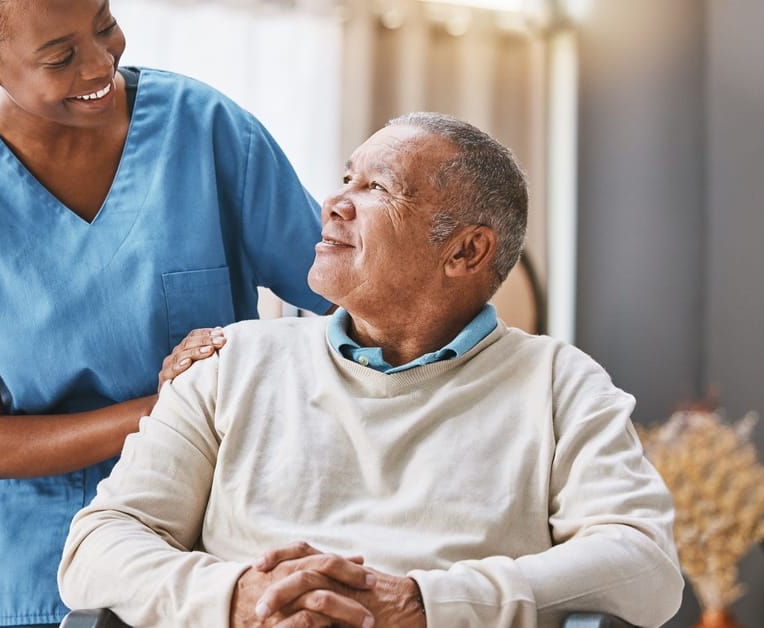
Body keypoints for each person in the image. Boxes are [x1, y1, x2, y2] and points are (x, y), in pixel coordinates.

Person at [59, 113, 684, 628]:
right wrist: (240, 596)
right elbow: (98, 544)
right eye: (345, 179)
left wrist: (424, 605)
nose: (333, 203)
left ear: (466, 250)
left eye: (376, 189)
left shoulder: (558, 383)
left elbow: (644, 565)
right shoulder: (231, 362)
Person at [0, 0, 331, 626]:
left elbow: (352, 299)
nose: (101, 62)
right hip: (37, 576)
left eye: (104, 24)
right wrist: (168, 407)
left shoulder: (205, 130)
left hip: (214, 558)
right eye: (60, 56)